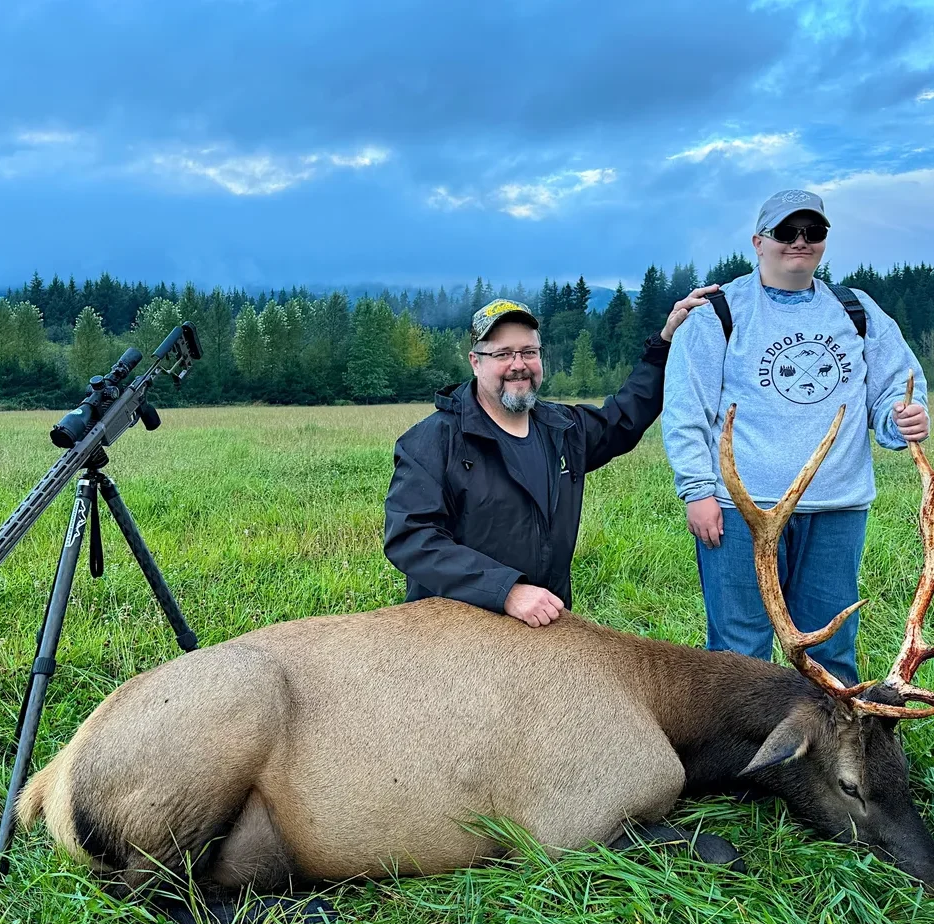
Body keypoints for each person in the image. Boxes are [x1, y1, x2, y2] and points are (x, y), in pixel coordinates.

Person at [662, 189, 929, 684]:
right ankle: (741, 761)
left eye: (813, 232)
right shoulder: (719, 314)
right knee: (738, 653)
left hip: (837, 511)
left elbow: (895, 389)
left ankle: (829, 758)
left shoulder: (857, 310)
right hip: (741, 512)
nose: (800, 242)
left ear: (825, 241)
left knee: (831, 649)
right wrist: (697, 492)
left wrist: (904, 420)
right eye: (787, 232)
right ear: (759, 242)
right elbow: (684, 409)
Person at [384, 292, 714, 627]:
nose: (518, 365)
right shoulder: (434, 440)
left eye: (529, 352)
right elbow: (412, 537)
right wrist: (507, 591)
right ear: (475, 361)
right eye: (503, 354)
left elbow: (623, 419)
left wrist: (663, 344)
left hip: (543, 631)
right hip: (458, 634)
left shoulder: (562, 429)